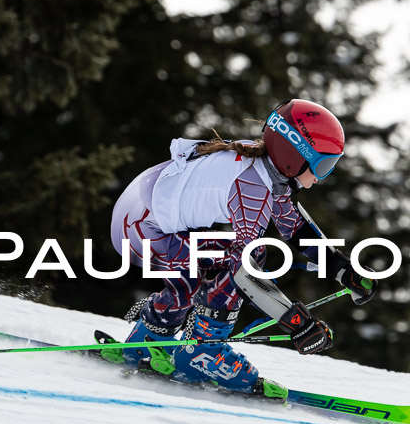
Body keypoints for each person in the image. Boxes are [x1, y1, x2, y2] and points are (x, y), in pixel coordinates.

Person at [109, 99, 378, 396]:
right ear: (294, 156)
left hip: (140, 211)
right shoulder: (253, 187)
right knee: (240, 260)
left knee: (218, 264)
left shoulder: (264, 166)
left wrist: (343, 270)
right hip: (138, 229)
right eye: (323, 165)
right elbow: (245, 274)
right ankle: (202, 353)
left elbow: (295, 227)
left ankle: (149, 339)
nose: (320, 177)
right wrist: (298, 324)